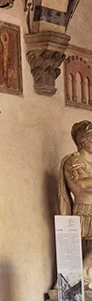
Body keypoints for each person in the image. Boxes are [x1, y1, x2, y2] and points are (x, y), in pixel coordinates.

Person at [59, 120, 92, 285]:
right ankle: (78, 278)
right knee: (78, 248)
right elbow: (82, 184)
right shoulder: (73, 161)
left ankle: (85, 276)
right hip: (85, 210)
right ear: (83, 141)